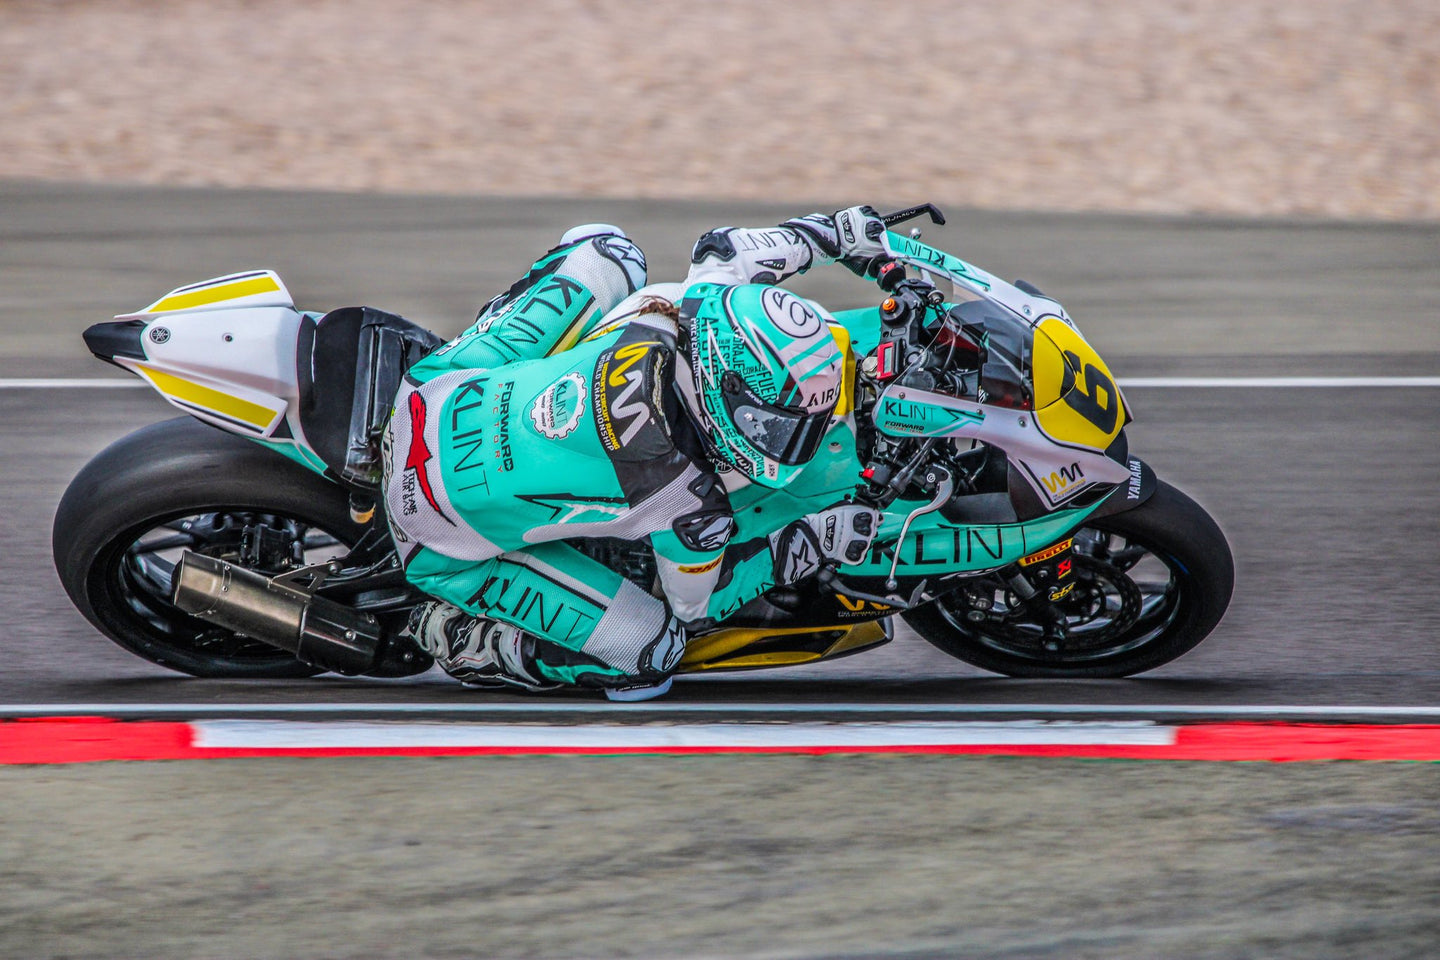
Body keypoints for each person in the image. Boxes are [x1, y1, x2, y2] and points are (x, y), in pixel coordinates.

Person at [381, 206, 893, 699]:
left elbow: (726, 247)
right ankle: (467, 639)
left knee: (609, 249)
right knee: (653, 653)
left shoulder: (702, 298)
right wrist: (807, 541)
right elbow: (696, 610)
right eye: (778, 427)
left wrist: (834, 234)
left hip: (431, 390)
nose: (792, 442)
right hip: (435, 540)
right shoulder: (686, 500)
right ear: (725, 395)